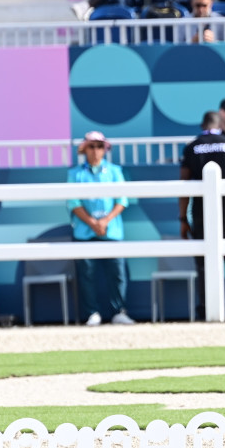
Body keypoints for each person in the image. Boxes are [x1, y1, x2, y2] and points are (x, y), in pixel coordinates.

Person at [179, 111, 225, 321]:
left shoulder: (192, 146)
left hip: (200, 214)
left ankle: (205, 311)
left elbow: (183, 185)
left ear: (202, 124)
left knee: (203, 264)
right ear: (219, 124)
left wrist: (183, 219)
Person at [66, 131, 135, 326]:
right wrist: (92, 222)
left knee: (117, 273)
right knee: (86, 275)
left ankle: (119, 311)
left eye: (99, 146)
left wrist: (105, 221)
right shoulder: (75, 174)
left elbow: (122, 200)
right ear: (84, 149)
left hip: (111, 231)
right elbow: (73, 202)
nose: (96, 150)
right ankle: (92, 313)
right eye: (92, 146)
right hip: (84, 232)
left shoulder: (114, 171)